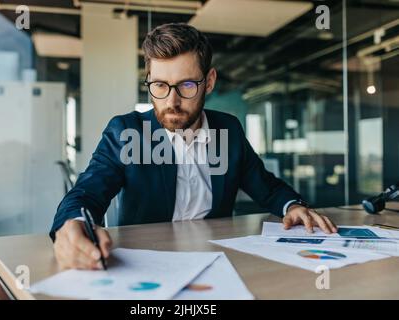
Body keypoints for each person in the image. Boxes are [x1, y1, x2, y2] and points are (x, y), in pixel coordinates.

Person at [51, 23, 337, 270]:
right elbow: (87, 192)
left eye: (186, 85)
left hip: (217, 259)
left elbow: (266, 186)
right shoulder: (127, 131)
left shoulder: (229, 130)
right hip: (148, 261)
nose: (171, 102)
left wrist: (293, 205)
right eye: (160, 85)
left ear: (209, 81)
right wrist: (72, 224)